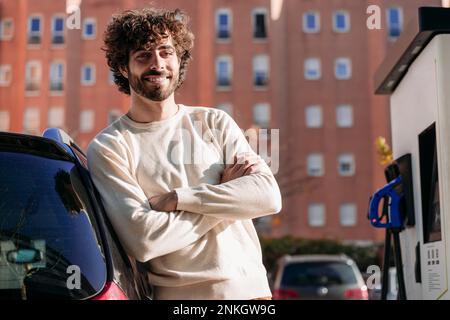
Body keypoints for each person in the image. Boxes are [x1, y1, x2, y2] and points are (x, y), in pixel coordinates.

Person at [87, 7, 282, 300]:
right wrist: (226, 194)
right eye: (143, 55)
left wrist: (181, 198)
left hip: (252, 294)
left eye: (166, 52)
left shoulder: (214, 122)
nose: (157, 63)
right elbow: (145, 240)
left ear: (179, 60)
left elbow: (268, 197)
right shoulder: (111, 146)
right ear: (124, 68)